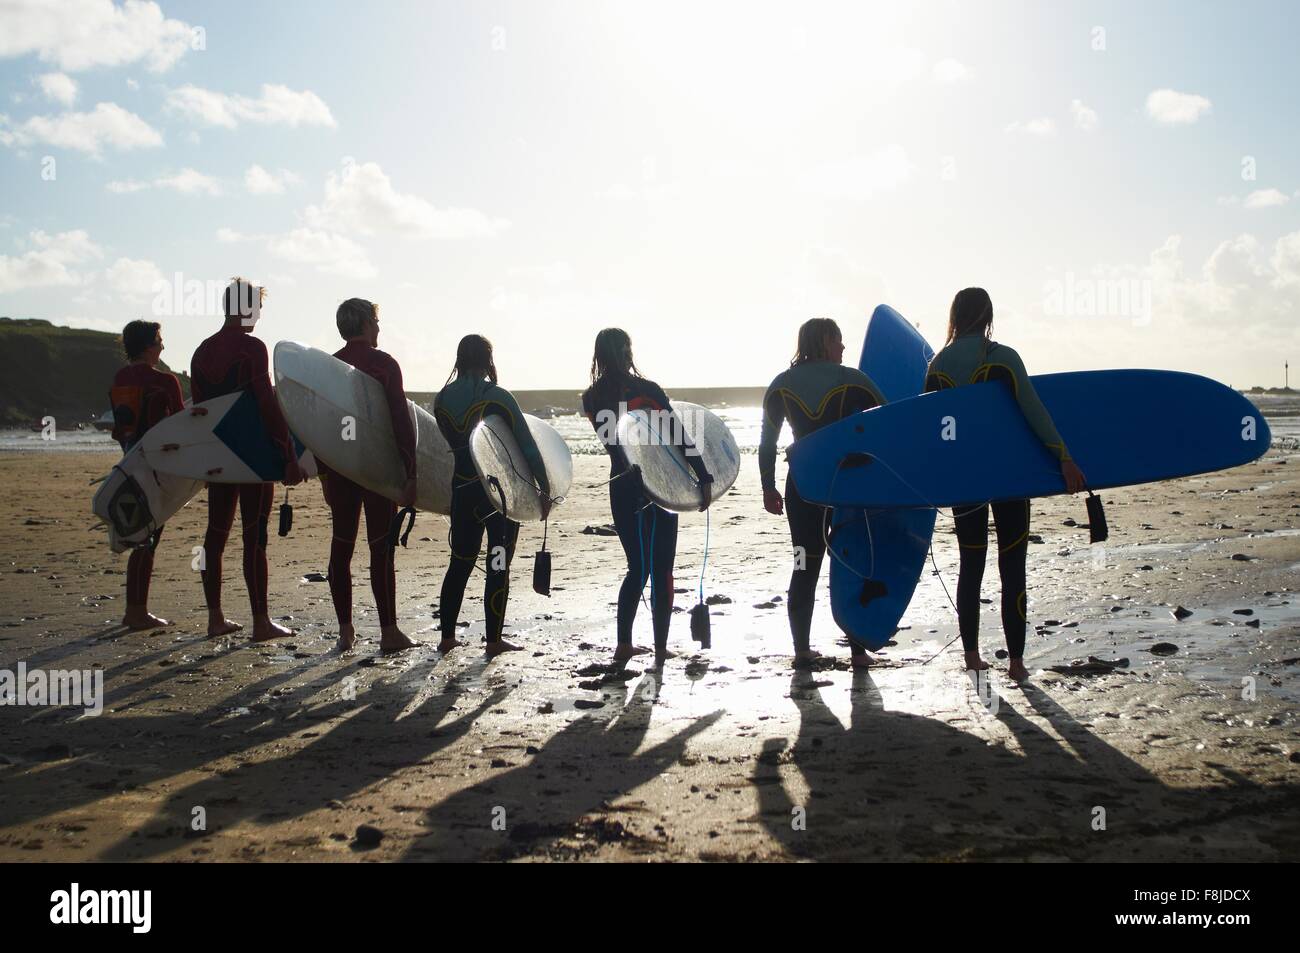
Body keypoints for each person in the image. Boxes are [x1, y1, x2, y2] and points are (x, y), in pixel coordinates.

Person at [924, 287, 1087, 682]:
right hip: (1009, 475)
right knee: (1012, 565)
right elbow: (1033, 410)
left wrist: (936, 478)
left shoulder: (937, 366)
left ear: (955, 316)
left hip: (964, 479)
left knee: (971, 565)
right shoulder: (1003, 358)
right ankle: (1016, 663)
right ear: (988, 316)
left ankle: (972, 657)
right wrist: (1063, 457)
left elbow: (934, 428)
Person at [582, 328, 712, 667]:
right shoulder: (647, 390)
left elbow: (616, 444)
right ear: (626, 351)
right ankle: (660, 647)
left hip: (621, 485)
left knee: (636, 568)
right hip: (658, 486)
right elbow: (678, 435)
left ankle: (624, 644)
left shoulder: (591, 398)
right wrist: (703, 476)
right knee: (662, 568)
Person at [760, 318, 885, 669]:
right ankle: (858, 652)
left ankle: (801, 649)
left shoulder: (781, 384)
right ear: (825, 341)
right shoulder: (853, 380)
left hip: (802, 488)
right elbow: (889, 423)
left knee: (803, 563)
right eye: (838, 340)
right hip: (847, 486)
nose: (843, 347)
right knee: (852, 563)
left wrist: (768, 486)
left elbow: (767, 443)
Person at [190, 278, 302, 642]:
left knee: (215, 535)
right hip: (253, 455)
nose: (260, 315)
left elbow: (200, 413)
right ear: (247, 308)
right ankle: (260, 622)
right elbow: (265, 403)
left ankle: (215, 618)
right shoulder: (252, 348)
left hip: (219, 453)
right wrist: (287, 454)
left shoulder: (201, 351)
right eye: (258, 307)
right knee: (255, 536)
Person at [433, 335, 550, 657]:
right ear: (487, 359)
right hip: (498, 496)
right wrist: (543, 487)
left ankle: (447, 638)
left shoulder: (441, 399)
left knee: (459, 563)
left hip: (462, 491)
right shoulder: (498, 397)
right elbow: (526, 445)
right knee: (498, 562)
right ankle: (494, 641)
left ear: (460, 359)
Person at [319, 298, 418, 654]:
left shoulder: (328, 367)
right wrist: (410, 472)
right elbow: (400, 420)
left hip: (341, 467)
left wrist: (324, 475)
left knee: (341, 546)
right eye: (375, 321)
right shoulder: (384, 364)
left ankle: (345, 632)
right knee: (381, 549)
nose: (378, 327)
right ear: (364, 323)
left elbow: (319, 425)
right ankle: (389, 632)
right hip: (378, 469)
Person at [109, 320, 184, 630]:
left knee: (141, 534)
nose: (162, 346)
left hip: (129, 463)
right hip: (158, 467)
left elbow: (122, 427)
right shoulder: (164, 381)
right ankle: (136, 612)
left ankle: (135, 608)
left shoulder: (120, 378)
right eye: (159, 341)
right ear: (148, 346)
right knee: (148, 537)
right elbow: (181, 426)